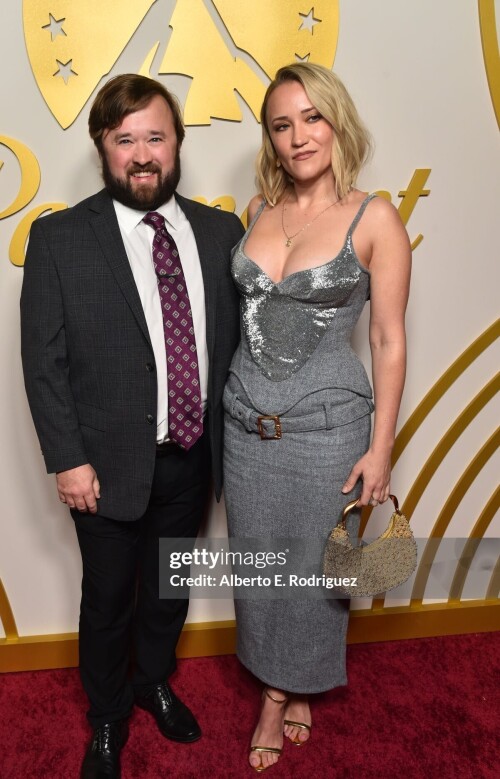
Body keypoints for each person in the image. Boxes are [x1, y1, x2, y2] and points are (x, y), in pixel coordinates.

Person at [20, 74, 244, 779]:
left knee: (169, 589)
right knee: (108, 598)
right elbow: (43, 359)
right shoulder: (59, 238)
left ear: (176, 143)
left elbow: (238, 343)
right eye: (125, 140)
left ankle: (152, 681)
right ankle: (109, 714)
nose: (142, 153)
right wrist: (67, 457)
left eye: (155, 136)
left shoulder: (219, 232)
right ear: (102, 148)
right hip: (106, 465)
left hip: (192, 456)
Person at [222, 62, 411, 772]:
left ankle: (280, 693)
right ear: (270, 139)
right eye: (281, 124)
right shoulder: (255, 214)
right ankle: (288, 679)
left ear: (336, 121)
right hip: (245, 428)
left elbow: (389, 340)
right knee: (262, 566)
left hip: (327, 430)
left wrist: (381, 449)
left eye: (311, 117)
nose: (298, 136)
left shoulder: (375, 216)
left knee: (314, 573)